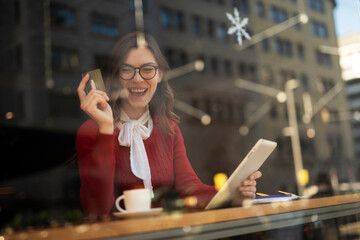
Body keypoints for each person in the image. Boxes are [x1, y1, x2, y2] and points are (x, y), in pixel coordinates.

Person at [76, 32, 261, 219]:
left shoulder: (169, 130)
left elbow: (191, 188)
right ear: (117, 75)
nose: (138, 79)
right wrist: (106, 129)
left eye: (147, 69)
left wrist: (231, 192)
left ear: (160, 75)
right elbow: (97, 209)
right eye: (127, 69)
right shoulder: (93, 131)